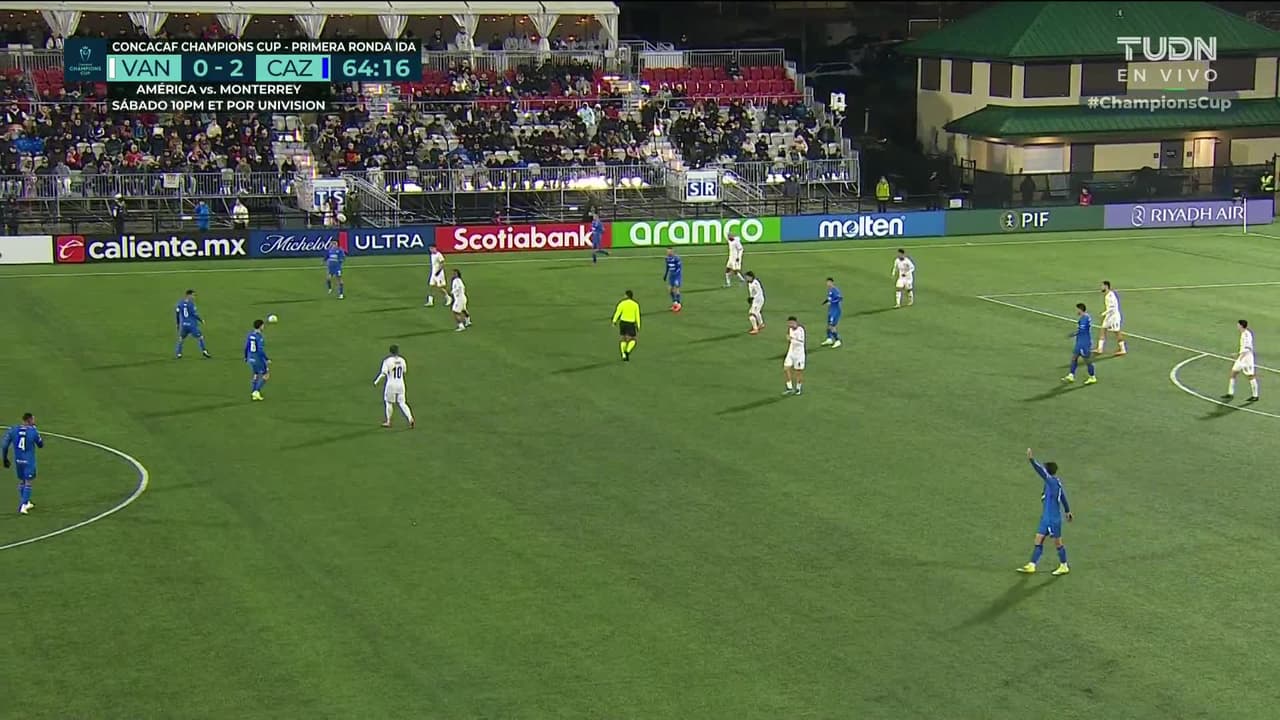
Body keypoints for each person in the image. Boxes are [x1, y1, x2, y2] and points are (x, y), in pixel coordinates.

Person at [1017, 448, 1072, 576]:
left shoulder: (1052, 482)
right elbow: (1062, 496)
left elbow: (1040, 471)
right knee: (1038, 540)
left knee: (1058, 543)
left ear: (1048, 471)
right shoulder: (1053, 483)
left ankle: (1064, 565)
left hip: (1053, 519)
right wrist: (1068, 511)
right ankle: (1032, 565)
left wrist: (1031, 460)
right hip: (1046, 518)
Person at [2, 412, 43, 514]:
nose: (34, 421)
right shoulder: (33, 431)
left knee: (22, 481)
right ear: (29, 420)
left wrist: (5, 458)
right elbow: (40, 444)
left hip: (18, 460)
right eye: (33, 419)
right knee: (28, 482)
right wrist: (36, 432)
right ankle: (23, 505)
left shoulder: (13, 429)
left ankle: (26, 502)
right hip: (29, 461)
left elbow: (4, 445)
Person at [374, 344, 415, 429]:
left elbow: (383, 374)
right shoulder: (402, 360)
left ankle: (388, 421)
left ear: (390, 351)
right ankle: (410, 418)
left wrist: (376, 382)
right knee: (402, 403)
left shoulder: (387, 361)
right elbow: (404, 371)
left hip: (391, 385)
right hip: (401, 384)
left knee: (389, 402)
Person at [1061, 303, 1097, 385]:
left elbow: (1081, 331)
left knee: (1087, 360)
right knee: (1074, 358)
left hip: (1084, 343)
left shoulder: (1085, 318)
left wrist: (1072, 334)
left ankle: (1092, 377)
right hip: (1080, 342)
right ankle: (1071, 375)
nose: (1076, 311)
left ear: (1080, 309)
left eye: (1077, 309)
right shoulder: (1085, 317)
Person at [1224, 319, 1259, 402]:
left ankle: (1255, 395)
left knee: (1250, 376)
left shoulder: (1247, 335)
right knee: (1233, 373)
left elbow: (1248, 348)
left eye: (1238, 325)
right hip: (1241, 358)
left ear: (1241, 326)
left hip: (1247, 359)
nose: (1237, 326)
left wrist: (1237, 354)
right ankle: (1230, 393)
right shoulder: (1243, 334)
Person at [175, 289, 211, 359]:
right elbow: (194, 314)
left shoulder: (180, 303)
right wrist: (201, 320)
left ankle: (178, 353)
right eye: (193, 295)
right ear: (188, 295)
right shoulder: (191, 304)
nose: (194, 297)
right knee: (200, 337)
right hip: (192, 325)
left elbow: (177, 313)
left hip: (184, 325)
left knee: (181, 339)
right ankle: (204, 351)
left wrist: (178, 324)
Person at [1097, 281, 1126, 356]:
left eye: (1102, 286)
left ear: (1106, 286)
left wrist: (1104, 313)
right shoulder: (1107, 295)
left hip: (1114, 317)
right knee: (1103, 329)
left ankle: (1123, 349)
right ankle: (1100, 348)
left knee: (1117, 332)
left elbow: (1112, 308)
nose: (1101, 287)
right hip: (1109, 316)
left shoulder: (1110, 295)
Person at [611, 289, 641, 361]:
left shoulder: (622, 303)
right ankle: (627, 351)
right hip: (631, 323)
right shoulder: (635, 304)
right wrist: (638, 325)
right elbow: (637, 316)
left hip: (623, 323)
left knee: (623, 339)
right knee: (633, 339)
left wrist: (614, 321)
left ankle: (623, 354)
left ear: (626, 296)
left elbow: (618, 312)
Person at [244, 319, 270, 401]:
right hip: (258, 358)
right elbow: (260, 350)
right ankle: (256, 391)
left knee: (255, 374)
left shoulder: (250, 335)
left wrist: (245, 357)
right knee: (266, 375)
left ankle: (254, 393)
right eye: (263, 325)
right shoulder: (259, 337)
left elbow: (246, 347)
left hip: (250, 358)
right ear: (261, 326)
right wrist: (266, 359)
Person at [782, 316, 806, 396]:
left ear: (795, 322)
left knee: (798, 373)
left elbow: (801, 342)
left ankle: (798, 389)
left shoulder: (800, 330)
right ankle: (789, 388)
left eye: (791, 323)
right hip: (791, 353)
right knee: (786, 368)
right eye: (789, 323)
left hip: (799, 355)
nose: (790, 325)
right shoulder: (790, 329)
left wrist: (791, 339)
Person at [821, 277, 843, 348]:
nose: (828, 284)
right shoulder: (830, 290)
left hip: (835, 311)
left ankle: (838, 340)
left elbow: (840, 298)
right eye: (827, 282)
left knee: (831, 326)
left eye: (829, 282)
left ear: (832, 282)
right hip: (831, 310)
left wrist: (831, 302)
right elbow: (829, 298)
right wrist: (825, 302)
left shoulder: (835, 290)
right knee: (828, 325)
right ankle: (829, 339)